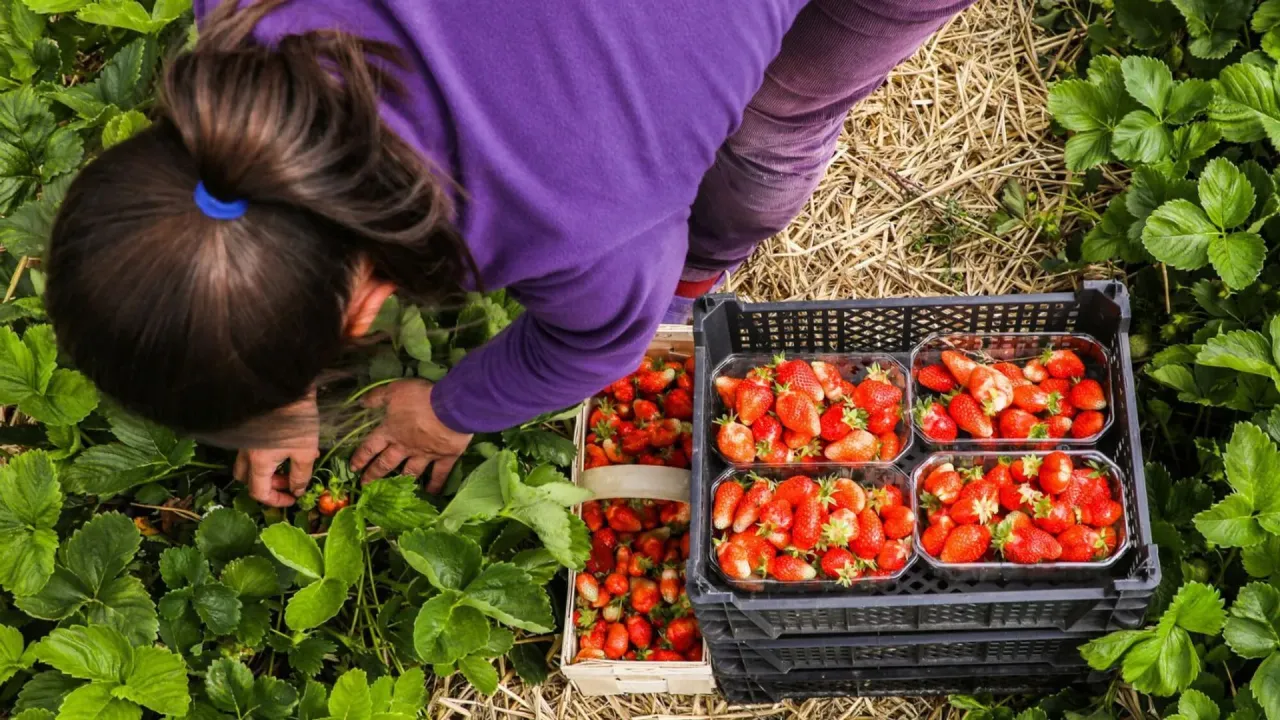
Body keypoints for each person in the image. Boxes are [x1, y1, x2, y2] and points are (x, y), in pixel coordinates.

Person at [45, 0, 974, 507]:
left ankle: (700, 275)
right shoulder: (244, 17)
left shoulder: (587, 225)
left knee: (778, 116)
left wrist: (450, 412)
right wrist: (274, 370)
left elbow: (591, 347)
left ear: (365, 314)